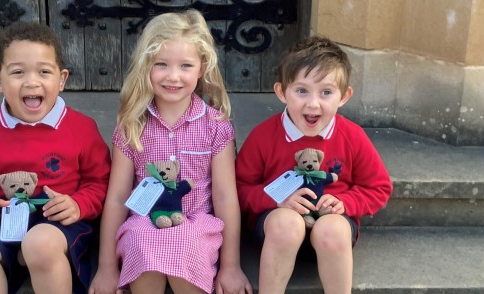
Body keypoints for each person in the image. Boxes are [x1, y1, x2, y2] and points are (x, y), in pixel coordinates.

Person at [89, 9, 252, 294]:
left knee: (185, 244)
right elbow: (117, 199)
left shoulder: (215, 126)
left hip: (196, 223)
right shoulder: (132, 127)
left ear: (201, 68)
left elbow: (225, 197)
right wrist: (106, 268)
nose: (173, 76)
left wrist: (231, 266)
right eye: (161, 64)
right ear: (146, 66)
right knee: (141, 241)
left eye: (185, 66)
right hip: (145, 222)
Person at [0, 21, 111, 294]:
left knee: (40, 244)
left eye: (44, 72)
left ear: (61, 79)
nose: (31, 81)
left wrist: (79, 204)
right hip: (0, 220)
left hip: (56, 224)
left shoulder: (81, 128)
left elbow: (101, 182)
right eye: (18, 72)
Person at [235, 35, 393, 294]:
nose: (313, 103)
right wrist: (275, 200)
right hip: (277, 231)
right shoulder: (263, 136)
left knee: (332, 229)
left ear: (344, 96)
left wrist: (346, 203)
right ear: (281, 92)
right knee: (286, 224)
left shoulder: (352, 136)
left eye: (326, 92)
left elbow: (378, 187)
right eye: (301, 91)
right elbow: (239, 188)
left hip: (331, 229)